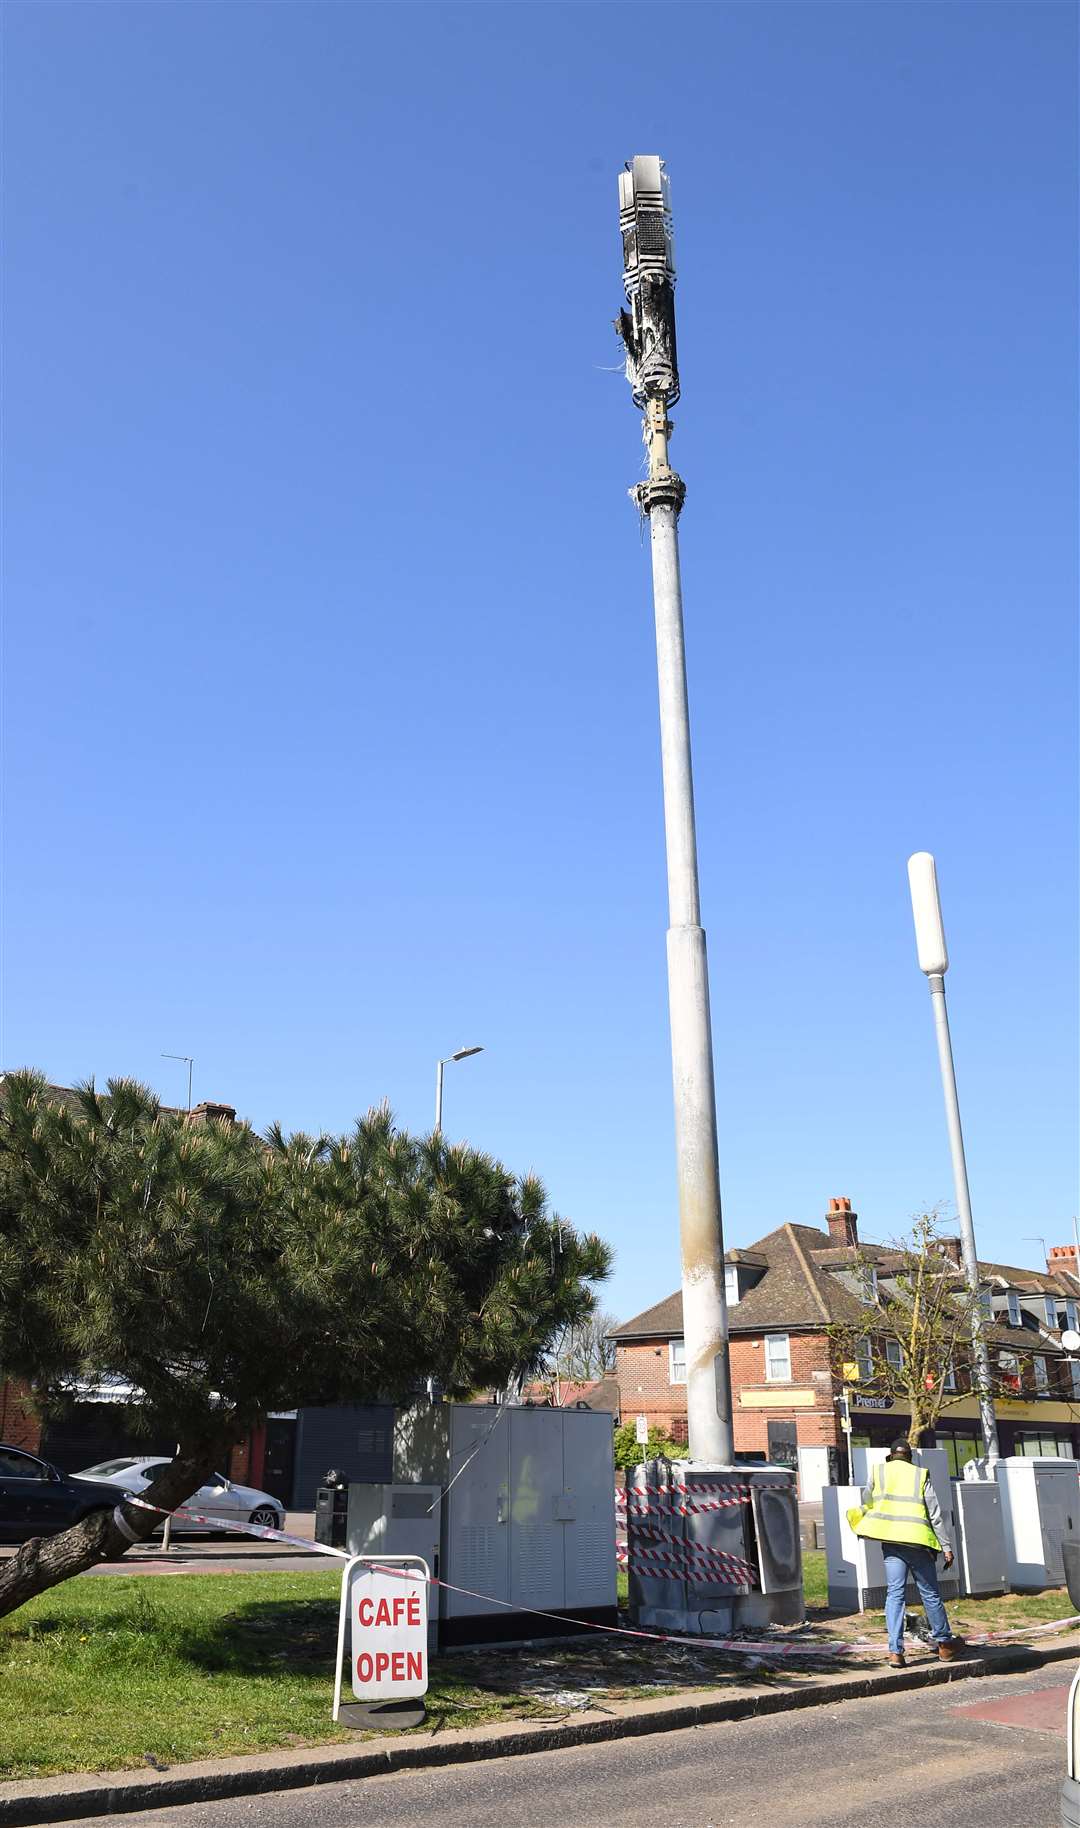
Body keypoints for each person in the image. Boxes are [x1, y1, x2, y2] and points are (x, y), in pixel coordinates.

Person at [851, 1439, 964, 1668]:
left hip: (892, 1541)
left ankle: (895, 1652)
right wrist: (946, 1547)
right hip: (918, 1543)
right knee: (930, 1593)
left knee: (895, 1595)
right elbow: (934, 1514)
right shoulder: (920, 1474)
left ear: (891, 1455)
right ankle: (944, 1645)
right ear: (910, 1457)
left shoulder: (878, 1471)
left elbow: (867, 1501)